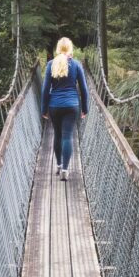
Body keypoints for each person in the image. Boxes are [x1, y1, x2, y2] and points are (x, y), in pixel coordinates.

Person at [41, 37, 88, 180]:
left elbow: (45, 90)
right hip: (72, 105)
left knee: (58, 135)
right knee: (67, 136)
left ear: (57, 49)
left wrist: (44, 109)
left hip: (54, 105)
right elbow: (84, 89)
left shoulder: (50, 65)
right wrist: (85, 108)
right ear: (70, 49)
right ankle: (65, 171)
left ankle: (59, 165)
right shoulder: (76, 64)